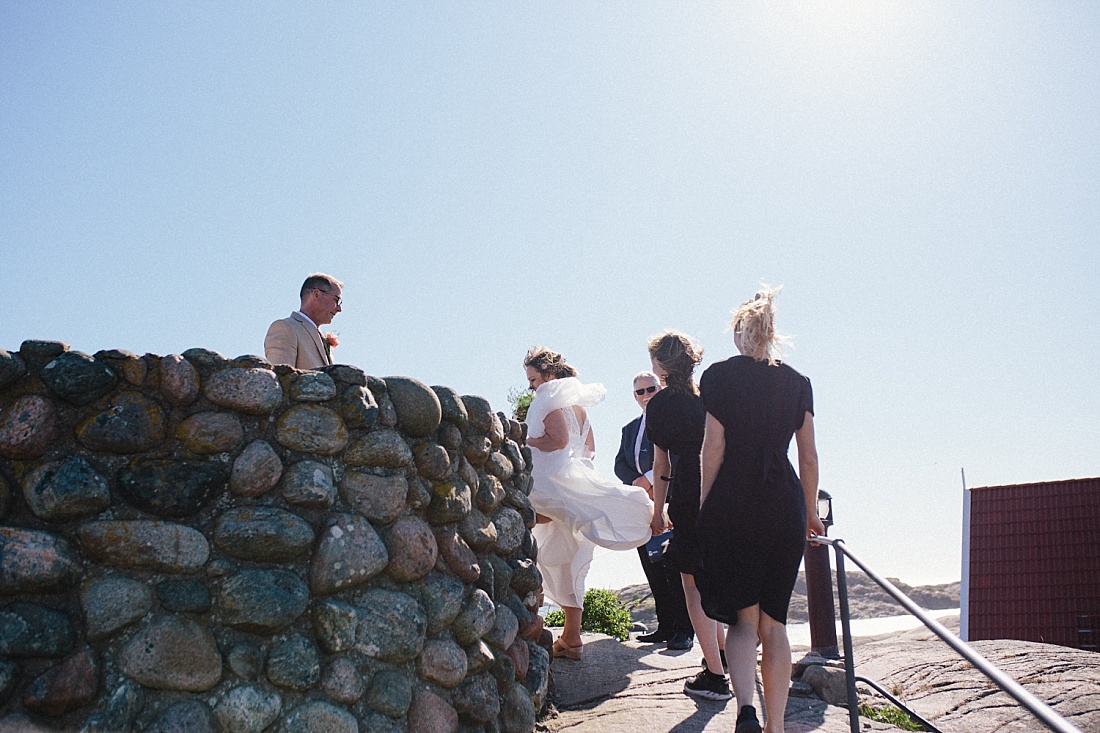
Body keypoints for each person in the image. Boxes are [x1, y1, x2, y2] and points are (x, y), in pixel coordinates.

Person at [697, 288, 824, 733]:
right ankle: (778, 727)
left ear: (739, 334)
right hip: (783, 503)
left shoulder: (717, 377)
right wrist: (810, 511)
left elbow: (713, 447)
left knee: (744, 620)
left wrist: (704, 502)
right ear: (770, 336)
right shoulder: (797, 382)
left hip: (735, 500)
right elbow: (808, 457)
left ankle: (746, 710)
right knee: (776, 622)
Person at [523, 347, 654, 660]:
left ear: (549, 374)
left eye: (534, 380)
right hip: (572, 481)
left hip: (550, 485)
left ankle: (537, 623)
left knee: (539, 547)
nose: (533, 387)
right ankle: (571, 637)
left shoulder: (549, 398)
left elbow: (559, 440)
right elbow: (589, 449)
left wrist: (524, 440)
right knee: (569, 560)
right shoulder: (578, 407)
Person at [646, 332, 731, 701]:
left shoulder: (660, 405)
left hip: (688, 492)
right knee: (714, 575)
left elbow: (661, 464)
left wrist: (657, 511)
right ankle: (724, 655)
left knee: (693, 585)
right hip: (723, 491)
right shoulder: (708, 396)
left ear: (661, 366)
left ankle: (715, 675)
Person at [614, 371, 694, 651]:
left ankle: (684, 631)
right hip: (641, 508)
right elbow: (620, 464)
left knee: (675, 568)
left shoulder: (673, 421)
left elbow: (673, 457)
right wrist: (637, 482)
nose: (646, 395)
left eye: (651, 389)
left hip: (671, 503)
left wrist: (650, 478)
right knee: (652, 569)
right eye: (640, 391)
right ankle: (665, 626)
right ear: (634, 396)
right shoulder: (629, 429)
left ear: (661, 389)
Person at [264, 273, 343, 369]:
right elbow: (280, 377)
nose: (339, 309)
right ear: (316, 294)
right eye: (336, 300)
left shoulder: (320, 336)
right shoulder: (286, 327)